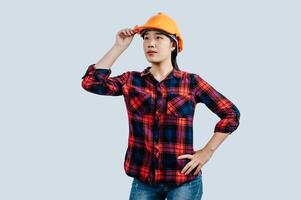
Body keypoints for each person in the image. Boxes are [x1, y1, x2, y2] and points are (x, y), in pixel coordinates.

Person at [81, 12, 240, 200]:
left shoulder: (191, 82)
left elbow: (230, 114)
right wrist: (118, 47)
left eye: (158, 37)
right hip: (143, 181)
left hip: (183, 180)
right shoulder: (131, 81)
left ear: (173, 44)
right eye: (146, 38)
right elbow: (92, 83)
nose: (151, 43)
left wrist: (206, 153)